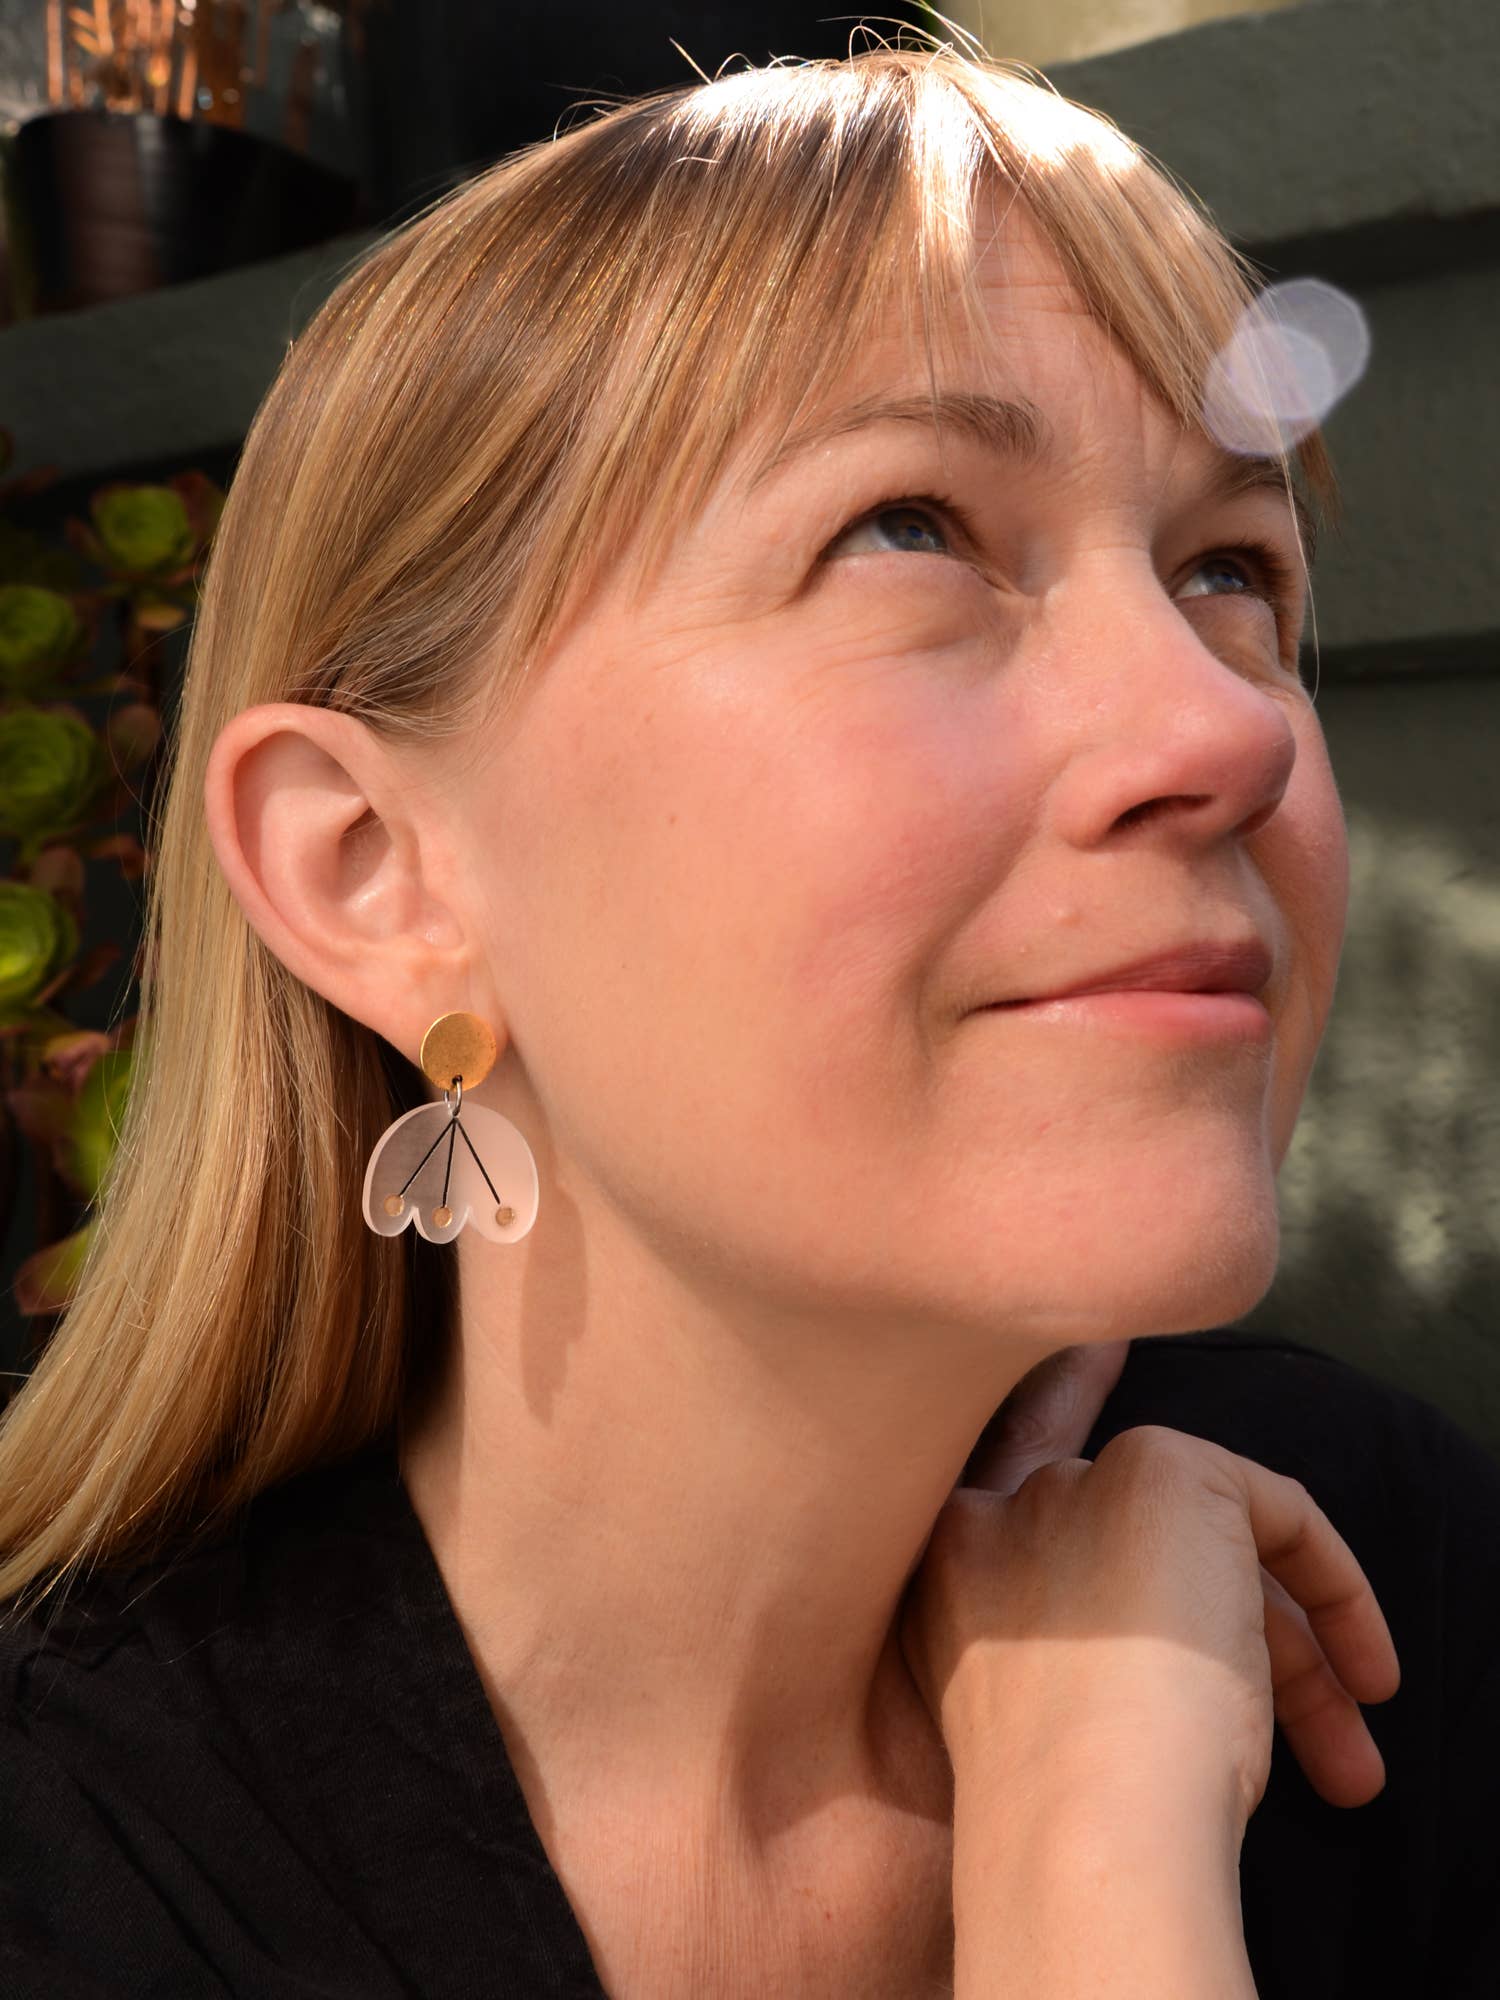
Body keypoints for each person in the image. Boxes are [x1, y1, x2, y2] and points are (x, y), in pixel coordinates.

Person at [1, 41, 1497, 2000]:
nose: (1228, 728)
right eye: (911, 530)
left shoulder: (1376, 1568)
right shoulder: (71, 1861)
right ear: (376, 871)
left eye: (1233, 570)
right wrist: (1093, 1888)